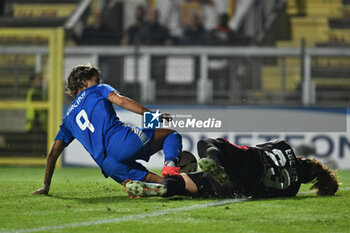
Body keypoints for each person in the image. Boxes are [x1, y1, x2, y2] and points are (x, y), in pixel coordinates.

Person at [31, 64, 183, 195]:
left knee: (167, 184)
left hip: (108, 166)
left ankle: (152, 188)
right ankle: (170, 166)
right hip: (122, 141)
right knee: (172, 135)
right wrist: (155, 116)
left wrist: (46, 186)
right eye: (96, 79)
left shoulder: (68, 120)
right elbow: (122, 101)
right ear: (85, 81)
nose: (99, 82)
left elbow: (52, 154)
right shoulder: (98, 89)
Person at [125, 138, 339, 198]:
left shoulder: (284, 147)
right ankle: (167, 189)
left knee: (209, 145)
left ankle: (168, 185)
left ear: (303, 159)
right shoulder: (292, 190)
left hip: (251, 161)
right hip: (241, 188)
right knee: (199, 189)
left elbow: (259, 149)